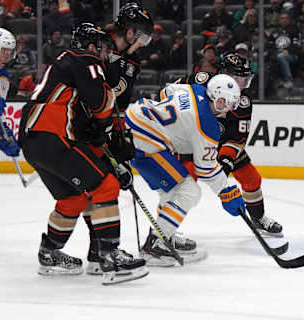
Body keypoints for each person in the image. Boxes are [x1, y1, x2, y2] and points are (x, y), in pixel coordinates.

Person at [17, 23, 148, 284]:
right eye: (103, 49)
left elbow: (83, 123)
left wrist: (101, 137)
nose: (105, 55)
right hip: (53, 135)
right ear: (91, 46)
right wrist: (106, 127)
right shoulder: (83, 57)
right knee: (106, 185)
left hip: (34, 141)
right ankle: (110, 256)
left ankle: (50, 253)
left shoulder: (65, 69)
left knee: (74, 199)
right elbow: (101, 104)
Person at [125, 74, 246, 266]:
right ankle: (155, 245)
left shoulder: (195, 89)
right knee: (190, 191)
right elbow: (205, 169)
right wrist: (226, 191)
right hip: (144, 141)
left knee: (171, 191)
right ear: (220, 101)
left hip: (134, 119)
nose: (230, 109)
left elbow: (166, 91)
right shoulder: (208, 125)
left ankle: (166, 235)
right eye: (230, 104)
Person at [171, 52, 283, 238]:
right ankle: (165, 230)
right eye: (239, 79)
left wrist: (225, 163)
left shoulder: (244, 102)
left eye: (246, 79)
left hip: (220, 144)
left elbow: (237, 138)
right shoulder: (202, 80)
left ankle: (258, 218)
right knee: (183, 187)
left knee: (252, 179)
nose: (243, 85)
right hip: (192, 143)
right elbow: (171, 91)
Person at [82, 1, 154, 275]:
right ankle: (105, 253)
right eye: (144, 36)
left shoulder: (127, 57)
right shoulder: (100, 46)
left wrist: (119, 132)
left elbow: (118, 99)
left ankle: (98, 252)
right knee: (103, 187)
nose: (146, 43)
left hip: (103, 125)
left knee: (99, 189)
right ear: (132, 32)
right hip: (86, 128)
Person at [0, 27, 20, 158]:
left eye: (10, 51)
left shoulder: (3, 76)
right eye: (4, 50)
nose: (8, 54)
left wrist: (4, 134)